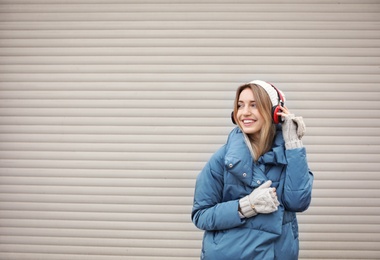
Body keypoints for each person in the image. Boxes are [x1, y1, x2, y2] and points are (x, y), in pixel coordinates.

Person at [191, 80, 314, 260]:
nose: (244, 112)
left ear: (275, 113)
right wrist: (247, 205)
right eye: (240, 106)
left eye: (254, 105)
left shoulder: (290, 155)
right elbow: (201, 215)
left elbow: (298, 202)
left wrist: (294, 143)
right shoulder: (223, 159)